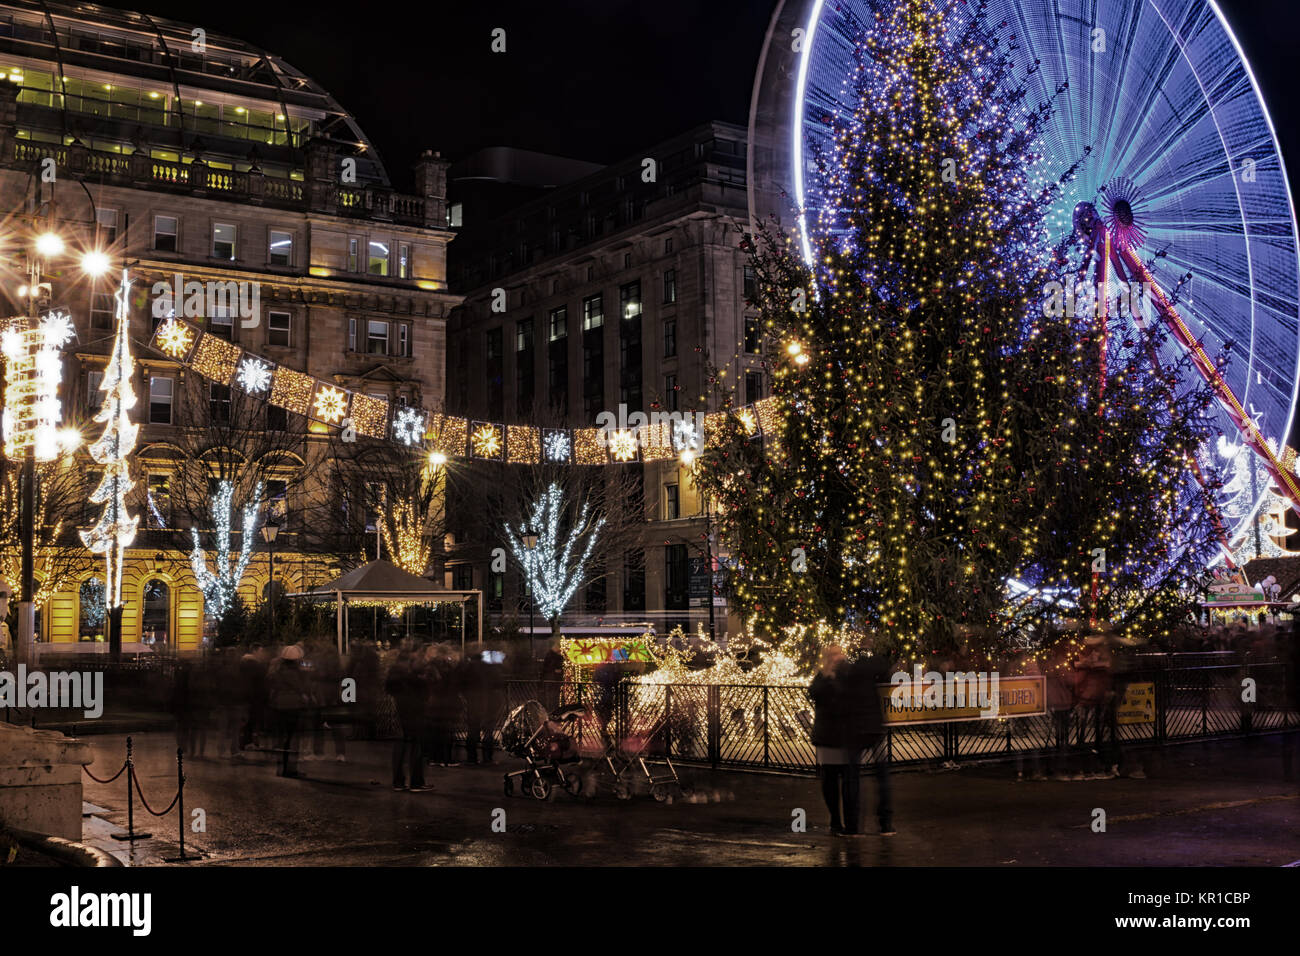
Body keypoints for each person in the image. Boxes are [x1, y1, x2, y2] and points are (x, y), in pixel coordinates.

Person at [809, 644, 894, 836]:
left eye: (839, 653)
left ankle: (855, 825)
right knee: (834, 781)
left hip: (851, 734)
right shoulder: (827, 676)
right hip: (833, 735)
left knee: (851, 780)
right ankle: (841, 822)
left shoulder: (849, 672)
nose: (837, 657)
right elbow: (815, 693)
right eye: (833, 654)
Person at [386, 641, 431, 791]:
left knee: (401, 744)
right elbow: (424, 687)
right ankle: (416, 782)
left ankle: (398, 781)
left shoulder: (397, 667)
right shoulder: (414, 669)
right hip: (414, 708)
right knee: (415, 745)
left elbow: (389, 687)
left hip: (401, 707)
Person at [268, 645, 309, 778]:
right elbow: (301, 687)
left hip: (279, 706)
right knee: (293, 739)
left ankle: (280, 768)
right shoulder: (296, 672)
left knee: (281, 738)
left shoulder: (277, 671)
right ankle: (291, 769)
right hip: (293, 706)